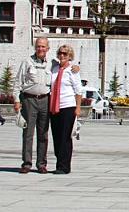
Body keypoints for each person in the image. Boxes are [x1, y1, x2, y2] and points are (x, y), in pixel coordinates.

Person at [13, 37, 79, 174]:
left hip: (46, 101)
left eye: (43, 46)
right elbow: (17, 82)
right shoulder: (27, 62)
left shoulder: (53, 64)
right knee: (28, 133)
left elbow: (69, 69)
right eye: (38, 46)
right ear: (35, 47)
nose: (41, 49)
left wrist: (76, 67)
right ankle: (26, 163)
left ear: (48, 49)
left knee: (43, 133)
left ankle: (41, 164)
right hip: (29, 100)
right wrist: (16, 101)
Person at [49, 45, 82, 174]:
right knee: (56, 136)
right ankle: (59, 162)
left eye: (65, 54)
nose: (62, 56)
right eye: (60, 53)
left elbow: (78, 90)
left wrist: (78, 107)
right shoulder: (54, 69)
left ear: (70, 56)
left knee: (65, 137)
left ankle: (64, 166)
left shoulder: (72, 71)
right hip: (54, 106)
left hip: (68, 106)